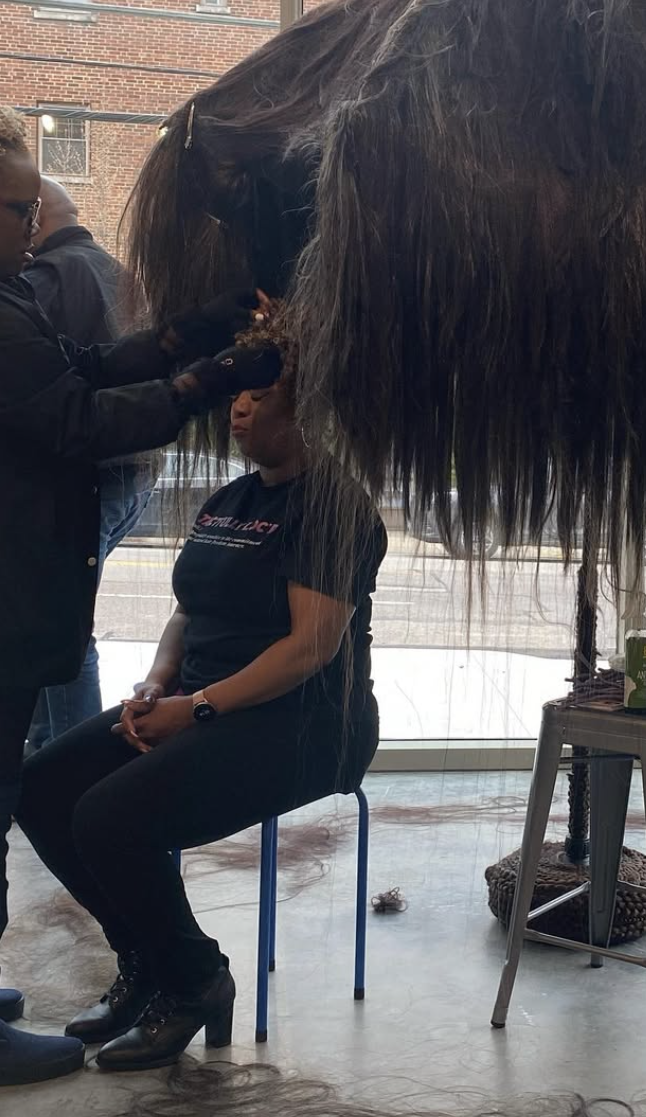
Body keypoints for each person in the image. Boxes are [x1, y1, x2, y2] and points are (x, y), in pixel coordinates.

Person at [18, 313, 386, 1073]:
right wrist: (158, 682)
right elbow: (189, 609)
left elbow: (309, 647)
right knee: (43, 787)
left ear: (307, 405)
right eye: (236, 395)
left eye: (256, 393)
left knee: (110, 814)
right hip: (203, 704)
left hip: (306, 724)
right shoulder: (231, 498)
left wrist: (198, 707)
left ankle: (195, 981)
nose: (238, 407)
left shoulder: (332, 506)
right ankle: (149, 959)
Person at [0, 104, 281, 1085]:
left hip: (34, 596)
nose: (31, 230)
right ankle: (159, 973)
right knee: (11, 789)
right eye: (16, 211)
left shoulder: (15, 296)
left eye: (32, 211)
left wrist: (198, 333)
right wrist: (214, 373)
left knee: (27, 785)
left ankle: (161, 969)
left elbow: (89, 364)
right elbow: (80, 414)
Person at [24, 177, 159, 747]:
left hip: (89, 475)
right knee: (51, 616)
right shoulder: (115, 272)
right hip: (133, 472)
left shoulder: (45, 280)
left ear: (34, 218)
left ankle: (64, 760)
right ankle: (46, 752)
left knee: (57, 620)